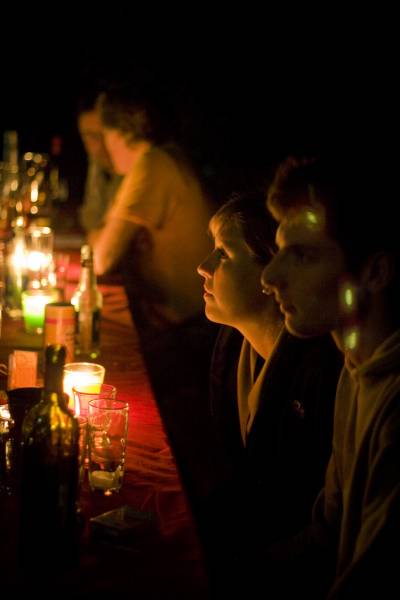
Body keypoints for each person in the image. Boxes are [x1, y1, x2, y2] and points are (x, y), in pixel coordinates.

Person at [261, 154, 400, 597]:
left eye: (301, 256)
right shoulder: (356, 368)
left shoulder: (395, 407)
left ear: (375, 272)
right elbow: (327, 533)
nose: (269, 276)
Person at [196, 192, 342, 594]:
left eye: (223, 254)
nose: (203, 267)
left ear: (270, 272)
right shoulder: (231, 346)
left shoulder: (323, 375)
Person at [91, 81, 220, 507]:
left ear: (117, 132)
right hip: (187, 319)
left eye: (100, 135)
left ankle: (162, 504)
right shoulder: (164, 158)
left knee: (109, 385)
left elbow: (103, 255)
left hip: (194, 328)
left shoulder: (152, 164)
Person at [77, 89, 122, 233]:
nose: (102, 145)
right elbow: (91, 221)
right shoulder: (97, 164)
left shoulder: (137, 169)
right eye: (91, 137)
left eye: (105, 134)